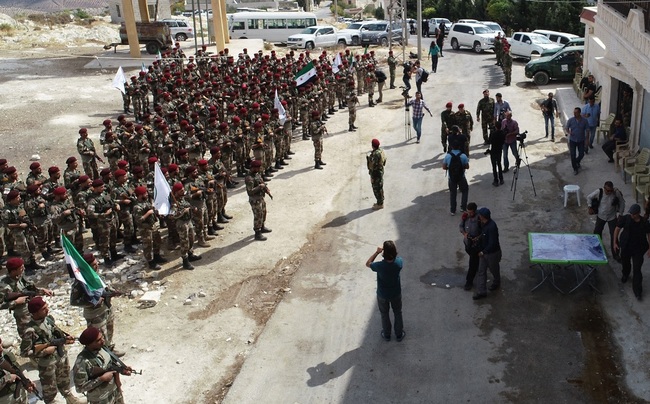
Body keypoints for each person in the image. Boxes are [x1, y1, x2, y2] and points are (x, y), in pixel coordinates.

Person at [19, 297, 84, 404]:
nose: (47, 309)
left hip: (60, 356)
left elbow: (55, 335)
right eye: (44, 308)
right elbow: (24, 352)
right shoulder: (30, 330)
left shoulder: (48, 319)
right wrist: (44, 351)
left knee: (65, 380)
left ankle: (70, 398)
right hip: (47, 364)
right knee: (49, 388)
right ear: (35, 313)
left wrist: (65, 339)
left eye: (46, 307)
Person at [73, 327, 133, 404]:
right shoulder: (82, 361)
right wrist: (101, 379)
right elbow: (79, 388)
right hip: (100, 400)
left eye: (102, 337)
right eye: (98, 340)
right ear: (89, 344)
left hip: (115, 392)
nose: (103, 340)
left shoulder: (103, 349)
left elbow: (111, 365)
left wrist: (122, 369)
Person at [0, 257, 53, 336]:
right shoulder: (4, 285)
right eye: (21, 268)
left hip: (32, 308)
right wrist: (16, 302)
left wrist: (42, 291)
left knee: (43, 328)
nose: (24, 269)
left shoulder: (19, 276)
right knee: (28, 335)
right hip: (22, 314)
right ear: (14, 271)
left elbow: (30, 289)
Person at [365, 241, 404, 342]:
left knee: (384, 314)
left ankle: (387, 335)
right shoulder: (399, 263)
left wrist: (377, 252)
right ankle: (399, 334)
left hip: (382, 294)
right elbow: (398, 258)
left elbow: (368, 263)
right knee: (397, 312)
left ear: (384, 253)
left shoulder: (380, 266)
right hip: (396, 293)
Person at [613, 204, 650, 300]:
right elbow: (617, 228)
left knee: (637, 269)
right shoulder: (626, 218)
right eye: (631, 213)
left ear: (638, 214)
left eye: (634, 214)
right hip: (626, 247)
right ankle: (625, 274)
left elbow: (648, 234)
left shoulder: (644, 222)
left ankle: (638, 291)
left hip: (638, 249)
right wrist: (615, 242)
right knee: (625, 263)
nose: (632, 215)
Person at [588, 181, 625, 260]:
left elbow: (622, 202)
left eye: (611, 190)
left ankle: (616, 254)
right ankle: (597, 250)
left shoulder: (616, 192)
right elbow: (589, 197)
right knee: (597, 233)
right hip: (601, 216)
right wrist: (590, 207)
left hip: (612, 216)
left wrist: (621, 214)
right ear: (604, 188)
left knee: (614, 235)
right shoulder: (599, 192)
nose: (609, 192)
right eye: (607, 190)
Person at [473, 207, 501, 300]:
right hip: (484, 252)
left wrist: (483, 252)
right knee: (481, 271)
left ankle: (497, 281)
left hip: (492, 254)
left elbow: (493, 243)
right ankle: (481, 291)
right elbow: (484, 235)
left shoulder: (492, 227)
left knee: (494, 269)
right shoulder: (484, 224)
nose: (478, 217)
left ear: (483, 217)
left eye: (479, 215)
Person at [0, 335, 37, 402]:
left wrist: (26, 382)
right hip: (4, 399)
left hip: (20, 393)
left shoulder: (7, 354)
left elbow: (17, 371)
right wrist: (6, 378)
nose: (0, 348)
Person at [245, 160, 272, 241]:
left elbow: (262, 182)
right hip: (255, 200)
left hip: (260, 197)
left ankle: (262, 226)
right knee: (258, 215)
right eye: (258, 168)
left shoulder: (257, 174)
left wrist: (267, 191)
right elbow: (250, 192)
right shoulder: (249, 178)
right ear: (253, 168)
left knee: (263, 212)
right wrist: (260, 187)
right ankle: (257, 232)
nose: (259, 169)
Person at [442, 141, 469, 216]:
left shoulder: (448, 156)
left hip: (452, 177)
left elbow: (444, 167)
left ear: (452, 147)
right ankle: (463, 207)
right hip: (461, 177)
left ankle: (453, 210)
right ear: (459, 147)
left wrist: (450, 168)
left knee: (453, 193)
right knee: (465, 191)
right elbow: (467, 166)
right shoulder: (463, 156)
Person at [460, 203, 481, 290]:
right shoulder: (465, 217)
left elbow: (484, 230)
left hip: (476, 245)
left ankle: (469, 281)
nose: (469, 214)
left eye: (471, 212)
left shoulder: (479, 218)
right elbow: (461, 226)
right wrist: (464, 233)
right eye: (468, 212)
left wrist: (478, 237)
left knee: (472, 264)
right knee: (474, 261)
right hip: (467, 243)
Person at [565, 107, 589, 175]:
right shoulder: (571, 120)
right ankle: (575, 168)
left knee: (581, 154)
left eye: (576, 112)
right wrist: (569, 132)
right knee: (573, 155)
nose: (574, 114)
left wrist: (587, 140)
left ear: (579, 113)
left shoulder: (584, 121)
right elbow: (567, 127)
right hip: (573, 140)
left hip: (581, 140)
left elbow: (587, 130)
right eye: (574, 112)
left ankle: (577, 161)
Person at [367, 139, 387, 210]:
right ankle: (380, 201)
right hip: (380, 171)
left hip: (376, 174)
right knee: (380, 187)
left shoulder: (376, 154)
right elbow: (384, 160)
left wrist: (372, 177)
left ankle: (380, 204)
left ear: (373, 146)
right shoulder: (380, 151)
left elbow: (373, 167)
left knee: (376, 189)